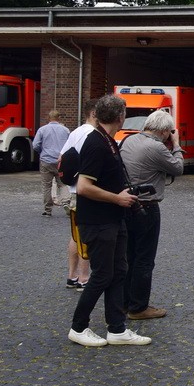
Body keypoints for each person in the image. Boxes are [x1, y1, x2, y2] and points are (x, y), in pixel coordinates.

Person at [68, 94, 151, 347]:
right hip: (98, 221)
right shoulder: (96, 143)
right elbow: (83, 187)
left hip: (112, 219)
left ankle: (117, 328)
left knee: (119, 272)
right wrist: (117, 199)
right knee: (103, 275)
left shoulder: (108, 141)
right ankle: (78, 327)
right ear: (120, 116)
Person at [119, 110, 184, 321]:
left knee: (128, 256)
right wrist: (176, 145)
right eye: (169, 132)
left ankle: (124, 303)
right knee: (144, 259)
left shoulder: (129, 140)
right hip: (147, 206)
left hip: (126, 203)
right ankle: (139, 308)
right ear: (165, 131)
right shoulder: (156, 146)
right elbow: (178, 168)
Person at [59, 98, 96, 290]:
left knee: (75, 236)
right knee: (85, 236)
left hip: (73, 190)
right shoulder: (92, 134)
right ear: (93, 113)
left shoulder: (75, 132)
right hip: (85, 192)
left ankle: (72, 276)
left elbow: (62, 158)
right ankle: (84, 278)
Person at [32, 109, 71, 216]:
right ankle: (66, 202)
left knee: (46, 186)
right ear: (59, 118)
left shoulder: (42, 130)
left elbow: (35, 145)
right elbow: (70, 145)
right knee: (63, 184)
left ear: (48, 118)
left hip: (46, 160)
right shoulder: (65, 130)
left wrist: (42, 151)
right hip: (60, 161)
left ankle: (48, 209)